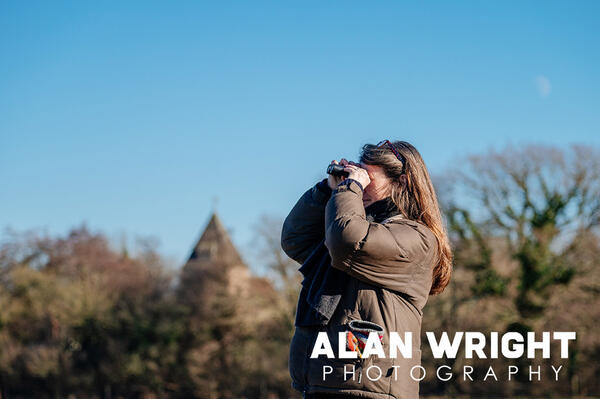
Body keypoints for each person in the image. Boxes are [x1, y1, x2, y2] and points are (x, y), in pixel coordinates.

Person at [281, 140, 453, 399]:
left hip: (373, 389)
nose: (358, 183)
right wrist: (328, 189)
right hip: (328, 382)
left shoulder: (417, 237)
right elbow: (295, 239)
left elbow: (348, 240)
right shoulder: (352, 225)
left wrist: (349, 188)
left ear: (402, 181)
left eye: (366, 177)